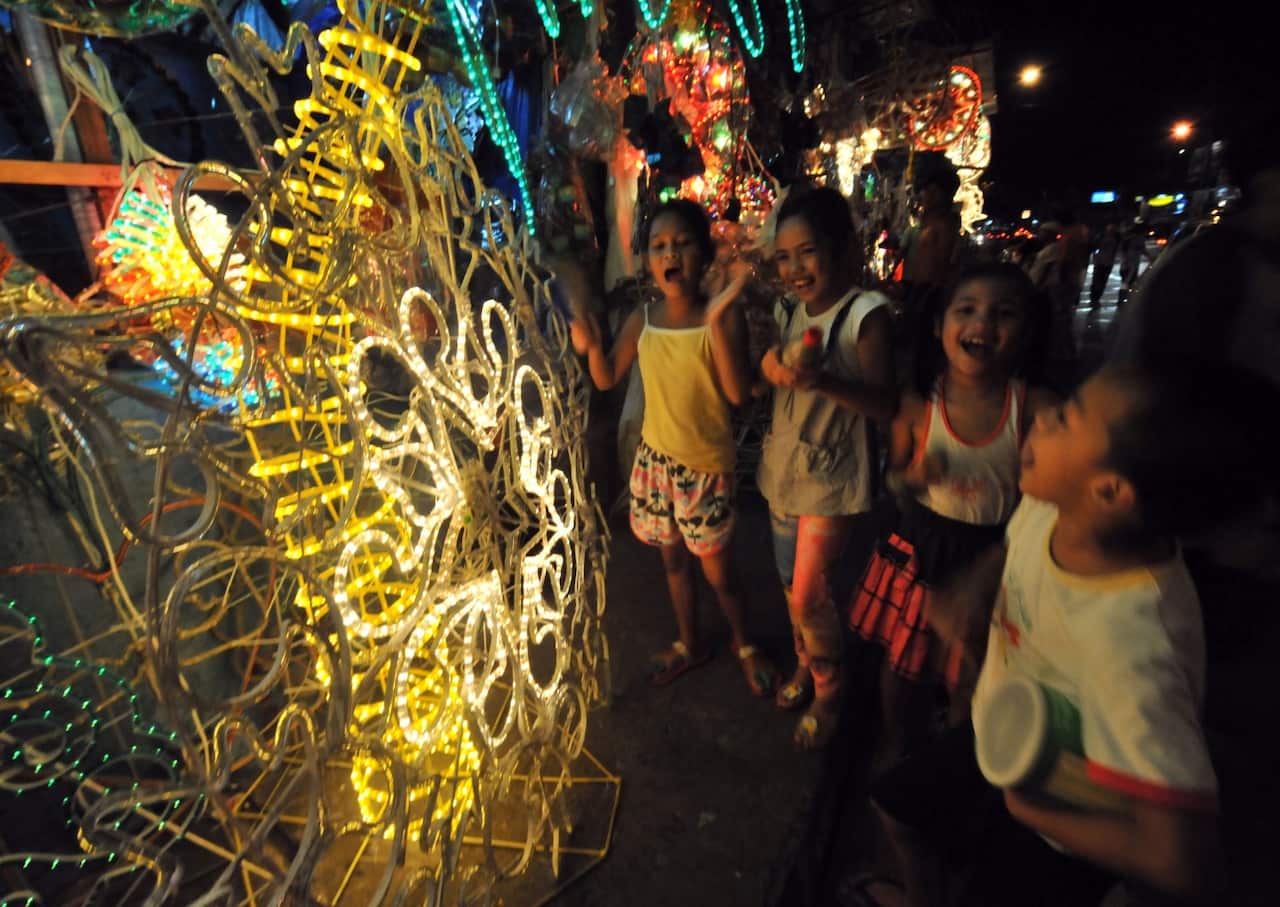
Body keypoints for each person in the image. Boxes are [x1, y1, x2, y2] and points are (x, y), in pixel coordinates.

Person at [864, 363, 1277, 907]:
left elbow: (1186, 864)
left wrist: (1033, 811)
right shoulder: (1053, 505)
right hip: (1005, 732)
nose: (1039, 419)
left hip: (1065, 827)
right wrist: (975, 587)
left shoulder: (1133, 646)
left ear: (1108, 489)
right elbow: (1012, 546)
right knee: (897, 808)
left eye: (1063, 418)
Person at [569, 198, 779, 696]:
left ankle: (744, 643)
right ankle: (689, 642)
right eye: (659, 245)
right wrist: (590, 346)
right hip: (655, 463)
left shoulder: (719, 318)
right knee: (672, 561)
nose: (671, 253)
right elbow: (605, 378)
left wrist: (721, 319)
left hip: (705, 468)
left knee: (719, 572)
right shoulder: (643, 318)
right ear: (647, 261)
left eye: (683, 243)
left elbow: (735, 395)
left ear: (703, 255)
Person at [849, 262, 1053, 764]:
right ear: (939, 325)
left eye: (1003, 314)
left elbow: (1047, 498)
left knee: (975, 667)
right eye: (967, 310)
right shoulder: (919, 406)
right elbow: (893, 480)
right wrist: (911, 479)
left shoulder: (1034, 409)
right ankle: (899, 743)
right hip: (920, 550)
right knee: (901, 664)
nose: (983, 324)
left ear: (1026, 332)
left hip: (994, 556)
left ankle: (962, 750)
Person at [756, 187, 897, 749]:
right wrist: (773, 364)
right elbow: (767, 367)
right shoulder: (787, 309)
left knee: (809, 596)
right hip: (784, 469)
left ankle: (831, 693)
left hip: (834, 480)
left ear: (840, 248)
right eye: (785, 257)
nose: (795, 269)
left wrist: (826, 381)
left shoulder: (866, 316)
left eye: (807, 252)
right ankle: (805, 668)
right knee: (791, 586)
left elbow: (887, 405)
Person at [1088, 222, 1120, 307]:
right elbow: (1094, 246)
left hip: (1108, 262)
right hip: (1099, 262)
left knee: (1103, 281)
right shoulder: (1101, 236)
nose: (1111, 228)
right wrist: (1095, 257)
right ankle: (1094, 299)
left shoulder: (1116, 237)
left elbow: (1116, 249)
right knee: (1096, 281)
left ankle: (1096, 299)